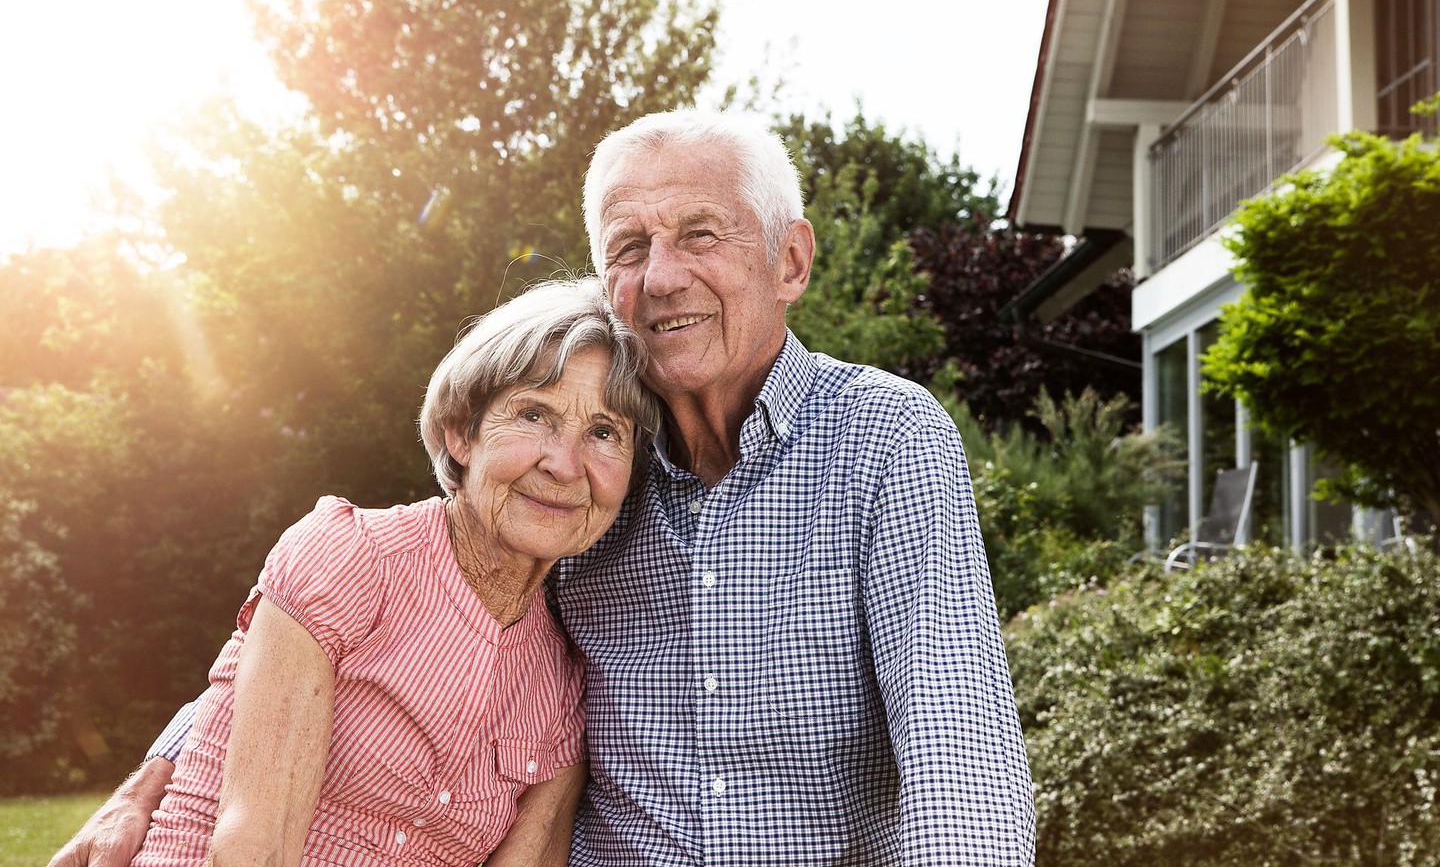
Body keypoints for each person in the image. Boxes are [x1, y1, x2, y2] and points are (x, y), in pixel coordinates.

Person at [52, 110, 1035, 866]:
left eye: (702, 234)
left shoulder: (884, 439)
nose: (662, 277)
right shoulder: (587, 476)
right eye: (628, 248)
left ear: (790, 259)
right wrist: (159, 771)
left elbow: (957, 740)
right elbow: (342, 595)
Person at [104, 277, 659, 867]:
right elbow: (253, 850)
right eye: (534, 415)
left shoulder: (563, 683)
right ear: (460, 434)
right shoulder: (349, 558)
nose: (565, 465)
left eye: (604, 432)